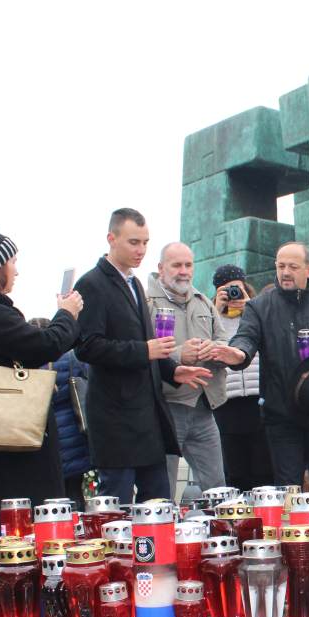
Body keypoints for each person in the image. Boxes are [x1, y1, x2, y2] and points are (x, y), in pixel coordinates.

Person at [75, 208, 211, 503]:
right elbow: (87, 347)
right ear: (112, 239)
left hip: (146, 416)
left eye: (145, 242)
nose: (141, 250)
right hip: (115, 415)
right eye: (134, 242)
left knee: (159, 504)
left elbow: (149, 345)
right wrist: (144, 350)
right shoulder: (91, 283)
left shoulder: (135, 284)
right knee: (119, 508)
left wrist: (172, 371)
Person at [0, 206, 83, 508]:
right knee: (24, 519)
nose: (17, 270)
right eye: (12, 262)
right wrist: (67, 314)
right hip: (14, 440)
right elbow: (45, 346)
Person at [213, 242, 309, 487]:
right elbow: (247, 336)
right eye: (280, 265)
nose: (285, 272)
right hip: (281, 411)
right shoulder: (259, 305)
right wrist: (239, 353)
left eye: (293, 266)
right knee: (288, 487)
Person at [147, 242, 228, 495]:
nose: (183, 271)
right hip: (167, 407)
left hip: (204, 406)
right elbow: (139, 349)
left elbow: (224, 341)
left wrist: (213, 349)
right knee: (164, 490)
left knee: (217, 487)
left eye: (188, 265)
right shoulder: (145, 303)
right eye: (176, 265)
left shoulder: (204, 301)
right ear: (161, 268)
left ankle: (218, 533)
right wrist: (179, 354)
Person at [212, 266, 274, 491]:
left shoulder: (256, 311)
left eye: (236, 288)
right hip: (227, 401)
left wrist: (250, 307)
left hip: (258, 398)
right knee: (234, 468)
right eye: (226, 290)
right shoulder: (211, 314)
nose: (232, 294)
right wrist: (215, 310)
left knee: (263, 466)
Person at [50, 348, 91, 510]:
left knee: (56, 493)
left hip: (52, 434)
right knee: (74, 490)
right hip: (74, 434)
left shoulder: (35, 361)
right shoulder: (72, 358)